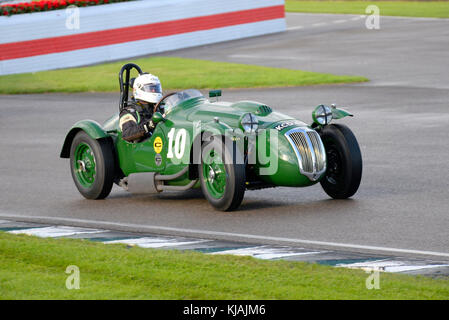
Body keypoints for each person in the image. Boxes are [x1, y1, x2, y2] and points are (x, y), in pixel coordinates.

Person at [119, 73, 163, 142]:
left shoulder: (161, 107)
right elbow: (127, 134)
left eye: (156, 88)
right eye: (151, 88)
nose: (154, 91)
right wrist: (149, 124)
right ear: (139, 89)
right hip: (143, 147)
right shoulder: (129, 111)